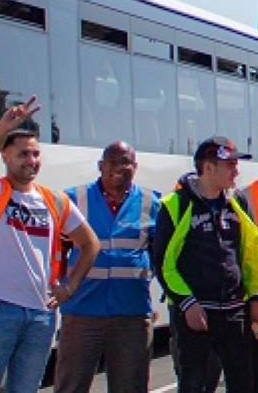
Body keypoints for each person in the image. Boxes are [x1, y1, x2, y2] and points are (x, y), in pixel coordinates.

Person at [0, 98, 101, 393]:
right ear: (5, 156)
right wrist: (3, 127)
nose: (31, 160)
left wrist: (70, 286)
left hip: (40, 314)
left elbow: (91, 244)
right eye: (23, 154)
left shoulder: (54, 200)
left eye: (36, 154)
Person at [154, 136, 258, 393]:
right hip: (196, 313)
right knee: (196, 383)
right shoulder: (176, 204)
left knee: (243, 383)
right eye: (230, 165)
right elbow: (162, 264)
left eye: (237, 164)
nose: (236, 171)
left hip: (235, 311)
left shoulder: (237, 202)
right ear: (208, 167)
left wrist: (255, 296)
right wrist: (187, 303)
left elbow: (250, 254)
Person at [54, 142, 161, 393]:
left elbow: (160, 253)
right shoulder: (73, 199)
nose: (119, 167)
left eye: (126, 162)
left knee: (131, 387)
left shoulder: (151, 202)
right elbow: (56, 250)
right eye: (112, 162)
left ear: (135, 167)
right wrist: (60, 286)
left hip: (132, 313)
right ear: (100, 165)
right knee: (71, 386)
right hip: (81, 312)